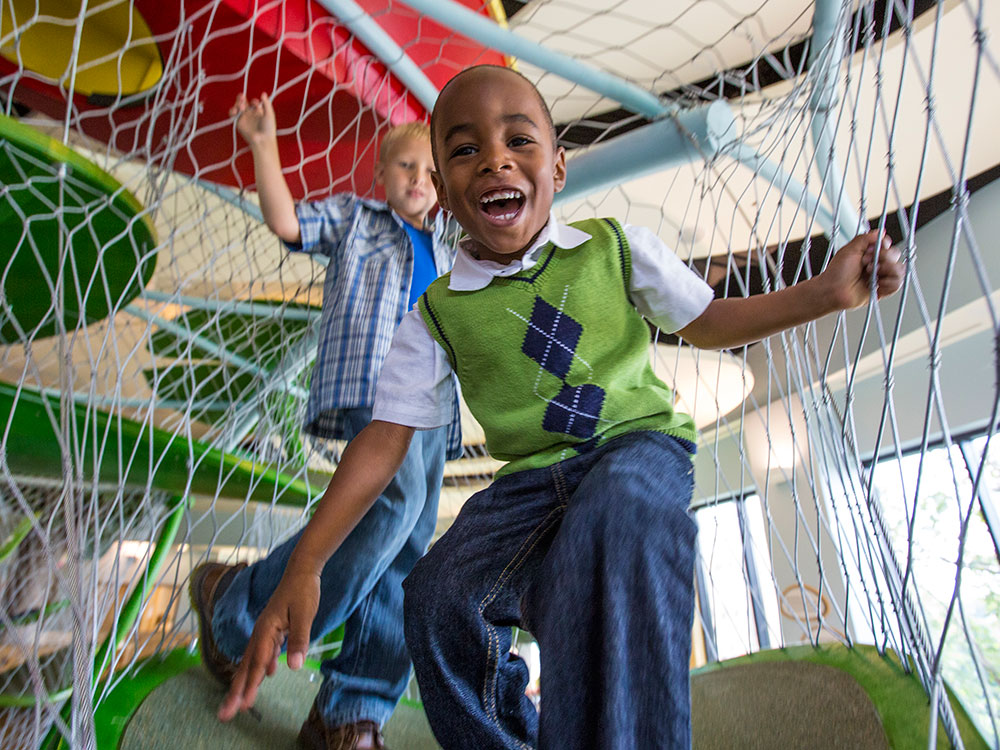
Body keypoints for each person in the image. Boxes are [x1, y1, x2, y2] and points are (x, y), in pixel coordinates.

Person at [215, 66, 905, 749]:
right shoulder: (436, 314)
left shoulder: (616, 249)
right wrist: (306, 563)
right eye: (463, 150)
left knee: (618, 515)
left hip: (634, 450)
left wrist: (823, 294)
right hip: (524, 488)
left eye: (520, 141)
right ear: (446, 201)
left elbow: (710, 320)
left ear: (559, 168)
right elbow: (385, 438)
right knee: (432, 597)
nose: (493, 158)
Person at [189, 93, 460, 750]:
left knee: (411, 551)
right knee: (390, 505)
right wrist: (262, 143)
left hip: (432, 410)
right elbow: (286, 223)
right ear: (379, 176)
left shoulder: (455, 247)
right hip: (374, 389)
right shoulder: (358, 219)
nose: (417, 180)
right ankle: (238, 610)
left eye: (429, 172)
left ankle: (350, 712)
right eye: (403, 168)